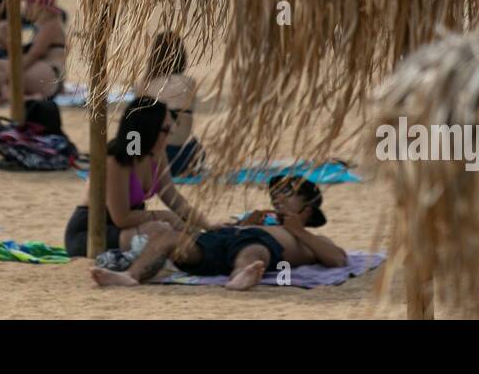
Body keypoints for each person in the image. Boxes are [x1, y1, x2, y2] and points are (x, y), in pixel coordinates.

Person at [90, 175, 344, 290]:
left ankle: (239, 276)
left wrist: (298, 232)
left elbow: (337, 259)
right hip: (224, 241)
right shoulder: (263, 221)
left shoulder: (313, 239)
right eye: (275, 194)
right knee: (167, 237)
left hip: (258, 245)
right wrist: (246, 222)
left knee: (254, 250)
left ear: (308, 210)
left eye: (288, 193)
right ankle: (131, 276)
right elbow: (228, 231)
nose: (277, 198)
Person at [64, 97, 215, 258]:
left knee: (184, 234)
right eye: (165, 130)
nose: (169, 136)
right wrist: (167, 217)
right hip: (92, 232)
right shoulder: (116, 161)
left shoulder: (155, 153)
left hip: (128, 227)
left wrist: (208, 225)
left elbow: (174, 199)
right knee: (162, 231)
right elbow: (121, 218)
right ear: (148, 129)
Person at [0, 0, 69, 103]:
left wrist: (10, 73)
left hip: (49, 75)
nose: (26, 7)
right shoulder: (47, 24)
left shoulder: (50, 26)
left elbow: (33, 55)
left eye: (29, 4)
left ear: (38, 5)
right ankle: (14, 93)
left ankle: (9, 94)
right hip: (49, 75)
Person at [136, 32, 201, 175]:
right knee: (197, 145)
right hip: (183, 158)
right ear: (181, 56)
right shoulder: (190, 83)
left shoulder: (144, 85)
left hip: (154, 158)